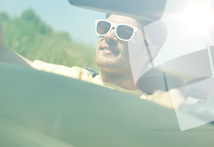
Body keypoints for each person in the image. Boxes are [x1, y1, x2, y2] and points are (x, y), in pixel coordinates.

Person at [0, 12, 184, 110]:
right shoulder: (72, 77)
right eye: (104, 27)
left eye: (124, 32)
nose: (108, 35)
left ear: (148, 51)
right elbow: (3, 54)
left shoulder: (154, 108)